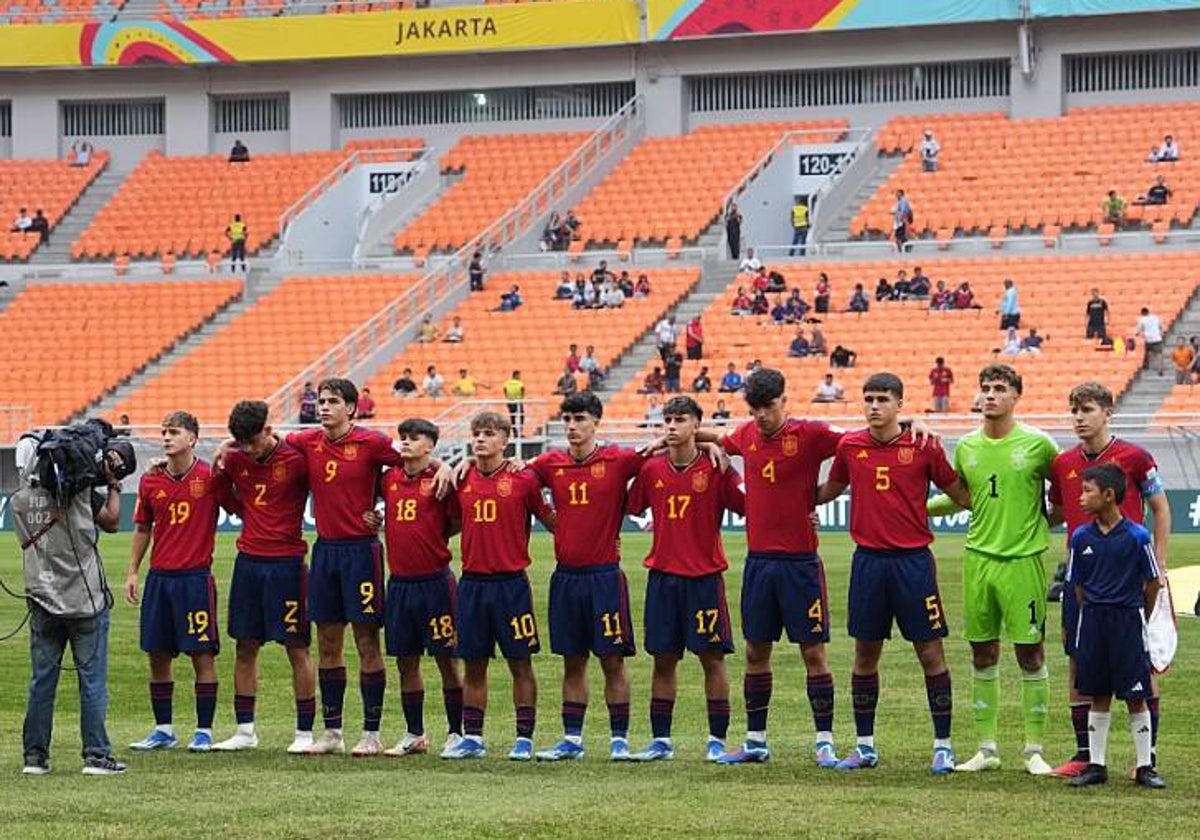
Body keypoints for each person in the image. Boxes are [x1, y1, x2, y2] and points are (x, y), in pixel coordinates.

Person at [275, 379, 445, 757]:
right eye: (321, 401)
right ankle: (332, 732)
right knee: (328, 641)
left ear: (352, 408)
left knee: (368, 641)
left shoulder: (372, 444)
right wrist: (224, 445)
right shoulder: (307, 442)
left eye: (333, 401)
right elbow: (267, 445)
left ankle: (371, 732)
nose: (324, 407)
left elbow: (409, 465)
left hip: (361, 553)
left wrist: (443, 465)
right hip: (325, 553)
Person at [816, 373, 971, 772]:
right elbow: (829, 491)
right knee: (864, 655)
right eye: (868, 399)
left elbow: (961, 495)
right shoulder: (850, 446)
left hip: (914, 563)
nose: (873, 406)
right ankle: (865, 746)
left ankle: (943, 746)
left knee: (931, 652)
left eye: (882, 399)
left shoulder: (923, 445)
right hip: (868, 562)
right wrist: (783, 498)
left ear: (899, 404)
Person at [926, 364, 1058, 775]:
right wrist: (916, 510)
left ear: (1017, 396)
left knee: (1030, 653)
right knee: (982, 651)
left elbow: (1067, 493)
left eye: (1000, 388)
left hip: (1023, 563)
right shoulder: (966, 447)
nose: (990, 396)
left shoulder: (1039, 445)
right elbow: (962, 497)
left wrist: (1040, 523)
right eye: (985, 388)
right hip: (978, 560)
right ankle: (986, 749)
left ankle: (1034, 750)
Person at [1045, 383, 1170, 780]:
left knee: (1143, 664)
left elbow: (1160, 509)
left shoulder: (1135, 457)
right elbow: (1055, 513)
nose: (1079, 418)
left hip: (1128, 578)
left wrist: (1160, 565)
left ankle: (1144, 759)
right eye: (1074, 411)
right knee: (1078, 661)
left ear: (1107, 412)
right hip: (1082, 574)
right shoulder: (1062, 463)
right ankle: (1086, 755)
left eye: (1087, 410)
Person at [526, 393, 644, 761]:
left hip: (604, 578)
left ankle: (619, 741)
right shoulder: (549, 464)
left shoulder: (618, 459)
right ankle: (572, 740)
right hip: (566, 579)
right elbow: (513, 472)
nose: (572, 426)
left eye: (579, 419)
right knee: (572, 661)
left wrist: (712, 447)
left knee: (612, 661)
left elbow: (663, 452)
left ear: (596, 422)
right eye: (568, 420)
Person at [627, 396, 745, 761]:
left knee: (712, 658)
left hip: (704, 578)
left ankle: (716, 740)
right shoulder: (651, 471)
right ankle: (660, 741)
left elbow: (752, 503)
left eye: (681, 420)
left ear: (697, 425)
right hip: (662, 579)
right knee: (663, 660)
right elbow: (631, 506)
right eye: (668, 420)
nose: (673, 426)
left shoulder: (717, 467)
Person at [442, 412, 555, 760]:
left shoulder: (523, 479)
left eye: (489, 434)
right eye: (476, 433)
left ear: (505, 440)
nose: (480, 439)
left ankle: (524, 738)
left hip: (511, 586)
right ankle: (473, 737)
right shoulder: (461, 478)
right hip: (472, 585)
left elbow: (551, 520)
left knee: (520, 662)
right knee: (473, 663)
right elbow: (449, 523)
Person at [15, 434, 129, 775]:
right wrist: (111, 483)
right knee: (92, 680)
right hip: (85, 600)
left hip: (42, 598)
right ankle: (96, 755)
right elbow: (111, 522)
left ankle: (35, 757)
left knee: (42, 681)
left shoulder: (20, 500)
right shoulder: (80, 496)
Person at [209, 402, 317, 754]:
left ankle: (304, 733)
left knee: (296, 647)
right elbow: (222, 493)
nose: (249, 450)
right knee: (244, 646)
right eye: (241, 443)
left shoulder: (297, 460)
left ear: (269, 430)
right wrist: (225, 461)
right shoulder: (235, 458)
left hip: (286, 564)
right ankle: (245, 730)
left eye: (253, 441)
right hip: (249, 563)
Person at [127, 411, 236, 753]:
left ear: (192, 438)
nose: (166, 438)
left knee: (201, 655)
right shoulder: (150, 480)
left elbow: (241, 503)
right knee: (157, 655)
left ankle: (203, 731)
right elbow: (143, 527)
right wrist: (133, 570)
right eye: (163, 432)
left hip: (194, 580)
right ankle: (163, 729)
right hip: (160, 580)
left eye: (173, 432)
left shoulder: (209, 478)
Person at [1065, 465, 1165, 789]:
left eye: (1088, 491)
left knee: (1136, 695)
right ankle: (1097, 765)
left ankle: (1144, 765)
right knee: (1097, 693)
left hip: (1127, 621)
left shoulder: (1138, 536)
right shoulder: (1081, 538)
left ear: (1108, 496)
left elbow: (1152, 583)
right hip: (1093, 622)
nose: (1081, 497)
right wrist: (1092, 610)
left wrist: (1138, 614)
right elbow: (1077, 586)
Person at [377, 418, 465, 758]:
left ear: (430, 446)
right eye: (403, 437)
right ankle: (415, 733)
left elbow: (456, 520)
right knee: (406, 661)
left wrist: (434, 538)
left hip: (436, 583)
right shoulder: (389, 479)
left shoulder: (442, 480)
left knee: (446, 658)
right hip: (400, 584)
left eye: (414, 438)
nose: (406, 442)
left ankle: (456, 732)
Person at [1136, 306, 1165, 375]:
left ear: (1142, 313)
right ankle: (1160, 368)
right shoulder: (1156, 317)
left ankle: (1146, 365)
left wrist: (1138, 333)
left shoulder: (1142, 319)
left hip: (1149, 339)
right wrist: (1160, 333)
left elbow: (1139, 330)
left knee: (1148, 352)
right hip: (1157, 338)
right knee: (1159, 354)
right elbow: (1160, 326)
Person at [503, 371, 525, 436]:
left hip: (510, 401)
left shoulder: (507, 383)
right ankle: (520, 431)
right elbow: (522, 390)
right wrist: (521, 397)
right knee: (521, 415)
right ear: (515, 375)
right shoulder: (520, 383)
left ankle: (515, 432)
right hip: (518, 401)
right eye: (518, 375)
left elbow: (505, 390)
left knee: (512, 416)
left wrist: (508, 397)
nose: (519, 377)